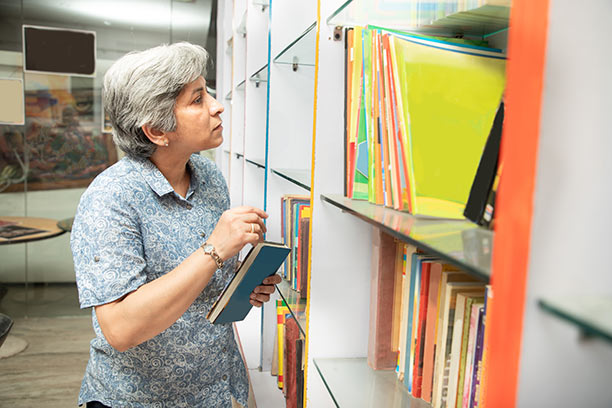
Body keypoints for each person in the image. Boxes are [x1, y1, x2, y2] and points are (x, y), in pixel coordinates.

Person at [70, 42, 280, 408]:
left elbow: (197, 284)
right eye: (198, 99)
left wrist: (242, 286)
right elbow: (120, 328)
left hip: (217, 390)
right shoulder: (110, 199)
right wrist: (215, 249)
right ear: (155, 130)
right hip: (140, 400)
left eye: (208, 93)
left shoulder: (209, 175)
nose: (217, 105)